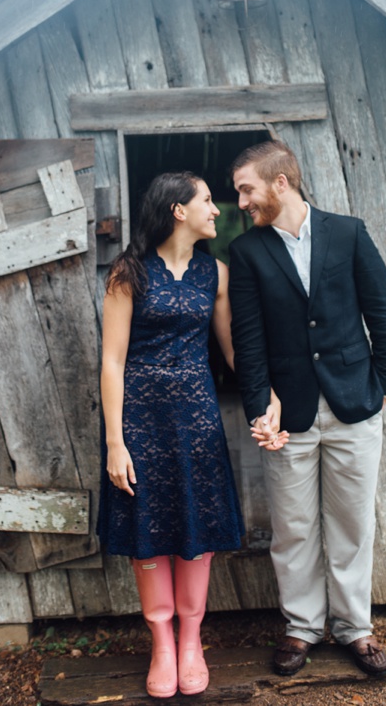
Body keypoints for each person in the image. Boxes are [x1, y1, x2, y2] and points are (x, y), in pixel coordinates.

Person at [226, 140, 386, 679]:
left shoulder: (348, 232)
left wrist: (385, 384)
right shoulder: (247, 252)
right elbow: (247, 339)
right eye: (236, 192)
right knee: (294, 528)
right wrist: (259, 407)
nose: (241, 202)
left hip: (354, 404)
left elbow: (382, 308)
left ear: (281, 182)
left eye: (246, 188)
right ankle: (301, 628)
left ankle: (355, 628)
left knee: (352, 523)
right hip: (288, 415)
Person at [96, 172, 250, 698]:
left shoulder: (217, 274)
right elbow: (112, 362)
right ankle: (161, 643)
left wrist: (266, 402)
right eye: (208, 200)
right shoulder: (128, 273)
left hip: (197, 423)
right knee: (149, 532)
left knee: (196, 535)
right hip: (139, 422)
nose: (217, 209)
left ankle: (191, 643)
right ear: (178, 210)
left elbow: (232, 355)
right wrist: (116, 442)